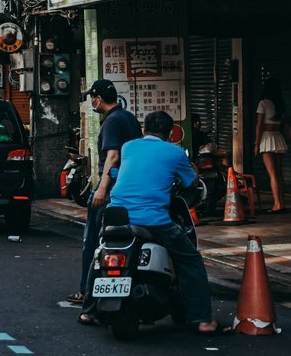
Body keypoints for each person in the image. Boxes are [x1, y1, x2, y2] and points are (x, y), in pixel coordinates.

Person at [87, 110, 219, 334]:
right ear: (169, 133)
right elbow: (191, 182)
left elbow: (118, 170)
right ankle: (203, 320)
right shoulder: (174, 152)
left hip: (116, 216)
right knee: (191, 260)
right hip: (153, 221)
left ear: (143, 130)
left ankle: (88, 310)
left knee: (100, 255)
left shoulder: (129, 147)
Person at [69, 79, 142, 309]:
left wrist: (101, 189)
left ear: (98, 99)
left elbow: (113, 157)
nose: (91, 101)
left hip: (111, 188)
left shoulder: (111, 122)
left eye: (92, 97)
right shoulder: (128, 117)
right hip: (129, 188)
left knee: (94, 240)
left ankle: (86, 291)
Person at [253, 77, 289, 213]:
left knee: (272, 173)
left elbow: (259, 125)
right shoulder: (279, 103)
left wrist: (257, 144)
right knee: (279, 173)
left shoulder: (263, 103)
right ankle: (282, 203)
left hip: (267, 138)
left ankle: (277, 204)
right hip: (278, 137)